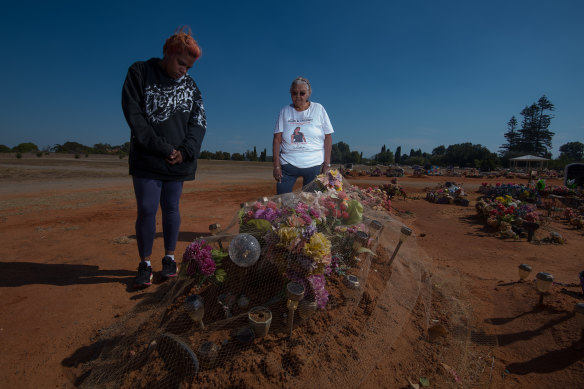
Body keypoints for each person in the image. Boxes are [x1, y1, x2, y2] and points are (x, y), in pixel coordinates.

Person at [121, 28, 206, 289]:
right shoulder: (140, 72)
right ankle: (144, 263)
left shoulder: (190, 86)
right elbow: (134, 115)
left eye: (189, 67)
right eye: (181, 63)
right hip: (149, 158)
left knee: (171, 209)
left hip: (176, 161)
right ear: (169, 53)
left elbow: (198, 122)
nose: (184, 71)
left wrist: (186, 151)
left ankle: (169, 258)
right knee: (146, 209)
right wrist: (161, 147)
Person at [272, 77, 334, 194]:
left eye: (302, 93)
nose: (298, 96)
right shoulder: (285, 111)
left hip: (313, 165)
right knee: (282, 200)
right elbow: (277, 139)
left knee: (310, 203)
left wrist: (327, 164)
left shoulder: (319, 109)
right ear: (290, 93)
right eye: (294, 93)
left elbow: (328, 138)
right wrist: (276, 166)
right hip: (288, 164)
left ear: (309, 93)